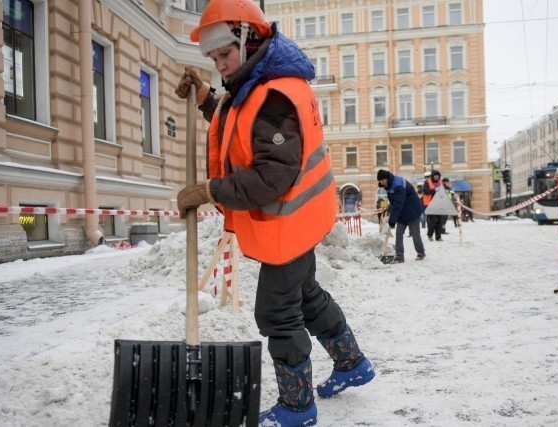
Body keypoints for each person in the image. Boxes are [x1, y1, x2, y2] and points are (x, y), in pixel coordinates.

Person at [174, 1, 374, 425]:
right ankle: (352, 364)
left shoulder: (275, 95)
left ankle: (297, 407)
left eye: (224, 55)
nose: (221, 65)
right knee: (306, 297)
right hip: (299, 219)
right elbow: (241, 127)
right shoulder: (259, 85)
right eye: (212, 59)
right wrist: (207, 98)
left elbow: (270, 178)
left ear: (249, 40)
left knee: (276, 312)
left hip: (289, 221)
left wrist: (210, 190)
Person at [377, 169, 425, 262]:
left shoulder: (398, 185)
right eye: (380, 181)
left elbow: (399, 203)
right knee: (399, 233)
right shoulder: (389, 185)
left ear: (387, 178)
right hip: (402, 213)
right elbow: (394, 202)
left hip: (412, 211)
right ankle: (399, 256)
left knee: (415, 234)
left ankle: (421, 252)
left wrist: (392, 219)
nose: (382, 182)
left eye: (383, 180)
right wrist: (390, 209)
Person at [421, 170, 444, 241]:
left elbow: (443, 192)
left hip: (439, 204)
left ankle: (438, 236)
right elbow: (425, 191)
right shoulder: (427, 182)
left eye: (438, 176)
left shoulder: (440, 182)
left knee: (439, 221)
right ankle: (430, 235)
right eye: (435, 175)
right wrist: (434, 190)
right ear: (432, 176)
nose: (436, 177)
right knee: (433, 220)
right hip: (430, 204)